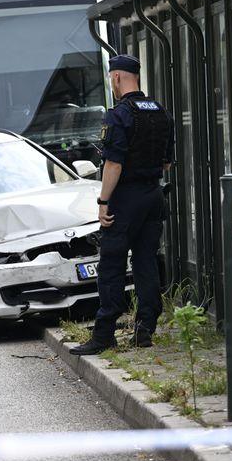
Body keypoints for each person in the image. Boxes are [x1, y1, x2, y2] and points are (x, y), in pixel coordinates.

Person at [71, 54, 174, 355]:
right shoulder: (160, 112)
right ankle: (145, 329)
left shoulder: (118, 115)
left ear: (116, 78)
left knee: (112, 265)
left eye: (110, 79)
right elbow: (166, 163)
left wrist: (104, 201)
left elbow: (113, 164)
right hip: (153, 197)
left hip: (125, 199)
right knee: (146, 261)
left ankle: (105, 334)